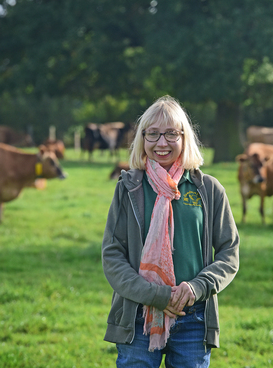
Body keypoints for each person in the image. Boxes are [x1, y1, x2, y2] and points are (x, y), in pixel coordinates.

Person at [102, 95, 240, 368]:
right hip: (138, 315)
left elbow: (229, 252)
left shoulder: (208, 189)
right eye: (152, 134)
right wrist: (156, 296)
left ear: (184, 137)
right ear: (142, 139)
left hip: (193, 317)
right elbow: (112, 255)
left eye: (170, 134)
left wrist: (197, 287)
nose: (161, 143)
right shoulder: (128, 187)